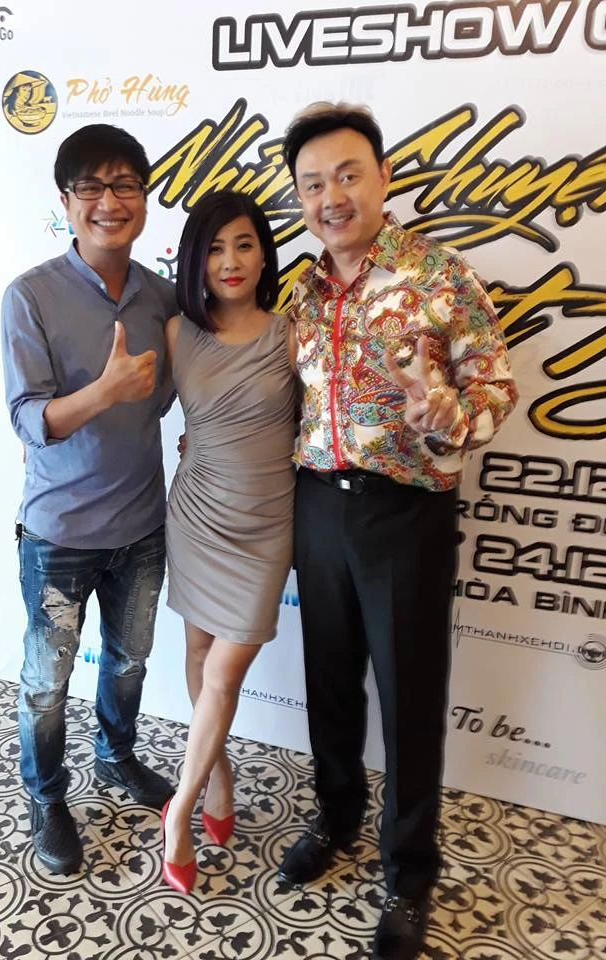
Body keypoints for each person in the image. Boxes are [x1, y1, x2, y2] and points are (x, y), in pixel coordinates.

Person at [278, 102, 518, 960]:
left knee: (409, 697)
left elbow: (496, 387)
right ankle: (336, 817)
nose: (331, 196)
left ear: (383, 177)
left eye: (348, 175)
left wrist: (444, 411)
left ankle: (410, 873)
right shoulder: (303, 291)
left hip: (406, 508)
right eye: (313, 184)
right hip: (316, 504)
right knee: (329, 682)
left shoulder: (439, 276)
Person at [2, 124, 177, 876]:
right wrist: (103, 391)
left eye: (125, 185)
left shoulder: (162, 297)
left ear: (144, 196)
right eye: (92, 187)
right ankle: (46, 796)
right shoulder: (30, 295)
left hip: (142, 526)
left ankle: (116, 755)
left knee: (130, 662)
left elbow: (183, 388)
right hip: (59, 534)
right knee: (47, 684)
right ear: (66, 200)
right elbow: (27, 420)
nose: (110, 201)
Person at [160, 190, 297, 894]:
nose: (231, 260)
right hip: (196, 515)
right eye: (214, 248)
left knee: (223, 672)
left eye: (245, 243)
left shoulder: (292, 334)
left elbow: (326, 427)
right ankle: (216, 775)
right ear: (196, 260)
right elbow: (139, 409)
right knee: (196, 654)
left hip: (267, 525)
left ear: (265, 254)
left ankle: (179, 810)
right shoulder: (177, 332)